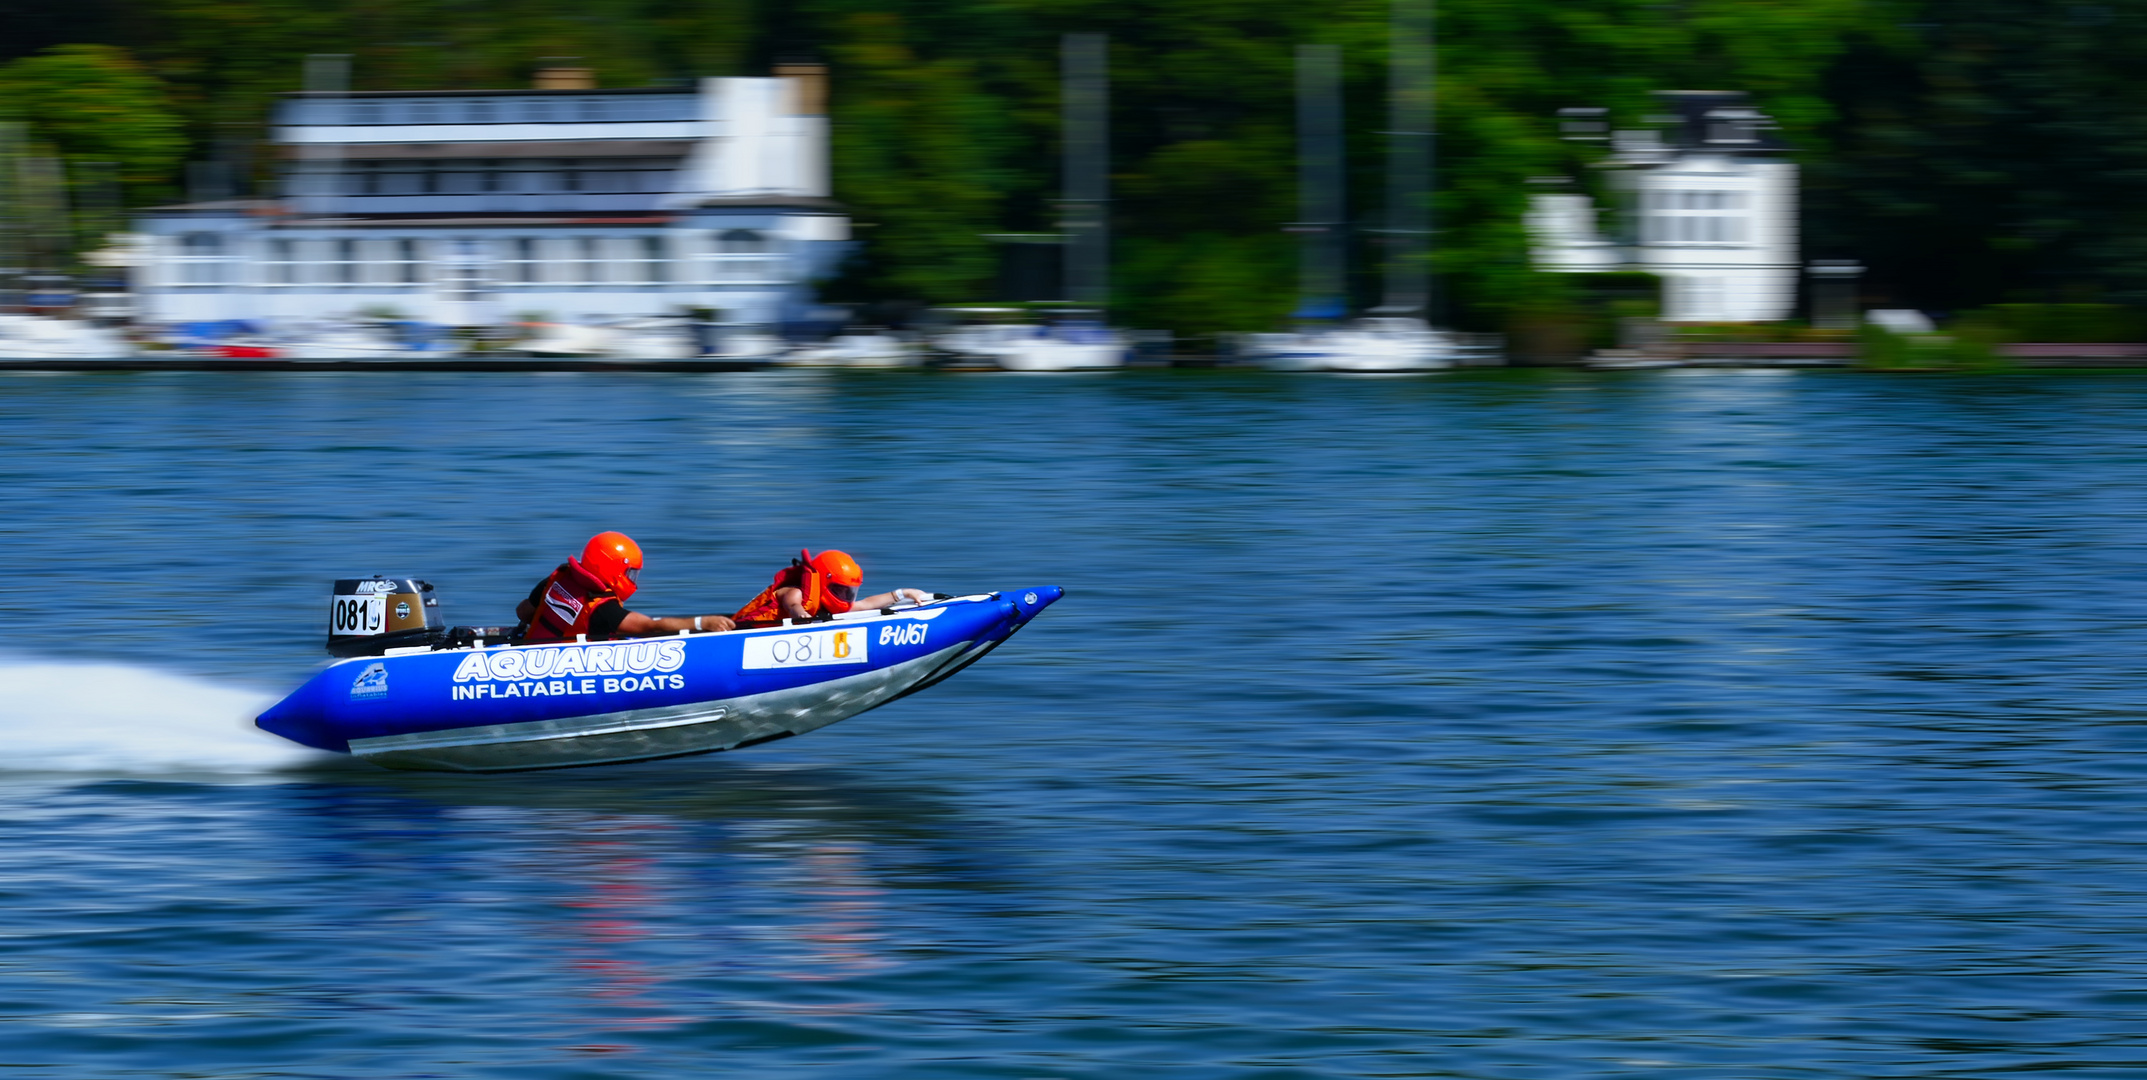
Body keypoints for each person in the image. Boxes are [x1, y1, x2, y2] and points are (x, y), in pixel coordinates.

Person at [514, 531, 737, 644]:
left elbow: (523, 612)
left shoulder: (558, 578)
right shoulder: (601, 608)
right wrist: (703, 622)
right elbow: (650, 626)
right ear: (610, 568)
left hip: (530, 648)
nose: (632, 579)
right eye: (630, 573)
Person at [731, 548, 932, 628]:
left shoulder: (827, 605)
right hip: (739, 631)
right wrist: (801, 614)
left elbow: (865, 604)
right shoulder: (796, 592)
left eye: (849, 591)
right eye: (840, 590)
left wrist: (902, 593)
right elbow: (793, 605)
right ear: (824, 582)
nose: (845, 596)